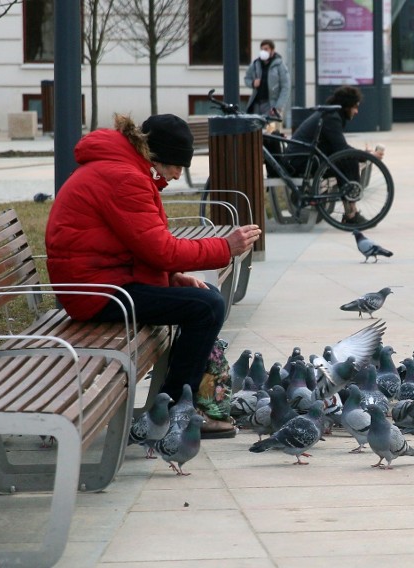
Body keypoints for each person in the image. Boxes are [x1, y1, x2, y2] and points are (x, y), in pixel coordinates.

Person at [45, 113, 261, 438]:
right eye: (176, 164)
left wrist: (172, 276)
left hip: (99, 284)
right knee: (207, 306)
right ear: (156, 156)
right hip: (97, 294)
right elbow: (160, 249)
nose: (177, 174)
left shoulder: (122, 169)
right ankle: (174, 413)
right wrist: (225, 247)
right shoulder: (124, 178)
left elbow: (140, 244)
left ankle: (177, 405)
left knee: (203, 301)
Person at [289, 85, 385, 226]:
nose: (357, 111)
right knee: (348, 161)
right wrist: (367, 155)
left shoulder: (332, 115)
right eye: (355, 107)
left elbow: (338, 148)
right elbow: (342, 149)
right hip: (302, 162)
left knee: (347, 160)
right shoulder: (331, 118)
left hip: (304, 158)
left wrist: (364, 155)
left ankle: (351, 211)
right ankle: (351, 213)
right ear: (346, 106)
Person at [244, 39, 291, 117]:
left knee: (271, 128)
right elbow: (247, 78)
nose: (263, 51)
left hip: (271, 104)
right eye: (262, 49)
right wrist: (253, 83)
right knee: (255, 127)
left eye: (266, 49)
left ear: (272, 50)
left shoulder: (280, 65)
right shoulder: (256, 64)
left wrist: (278, 107)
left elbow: (285, 87)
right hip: (257, 103)